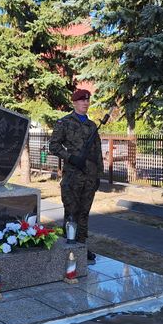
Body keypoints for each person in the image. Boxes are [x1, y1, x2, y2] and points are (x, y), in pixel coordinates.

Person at [49, 89, 103, 264]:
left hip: (89, 176)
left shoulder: (92, 125)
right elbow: (54, 146)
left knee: (84, 213)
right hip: (73, 176)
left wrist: (98, 175)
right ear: (74, 103)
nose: (85, 104)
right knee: (71, 212)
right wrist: (71, 158)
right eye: (82, 101)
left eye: (87, 101)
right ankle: (69, 247)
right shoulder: (64, 122)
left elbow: (98, 152)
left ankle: (81, 246)